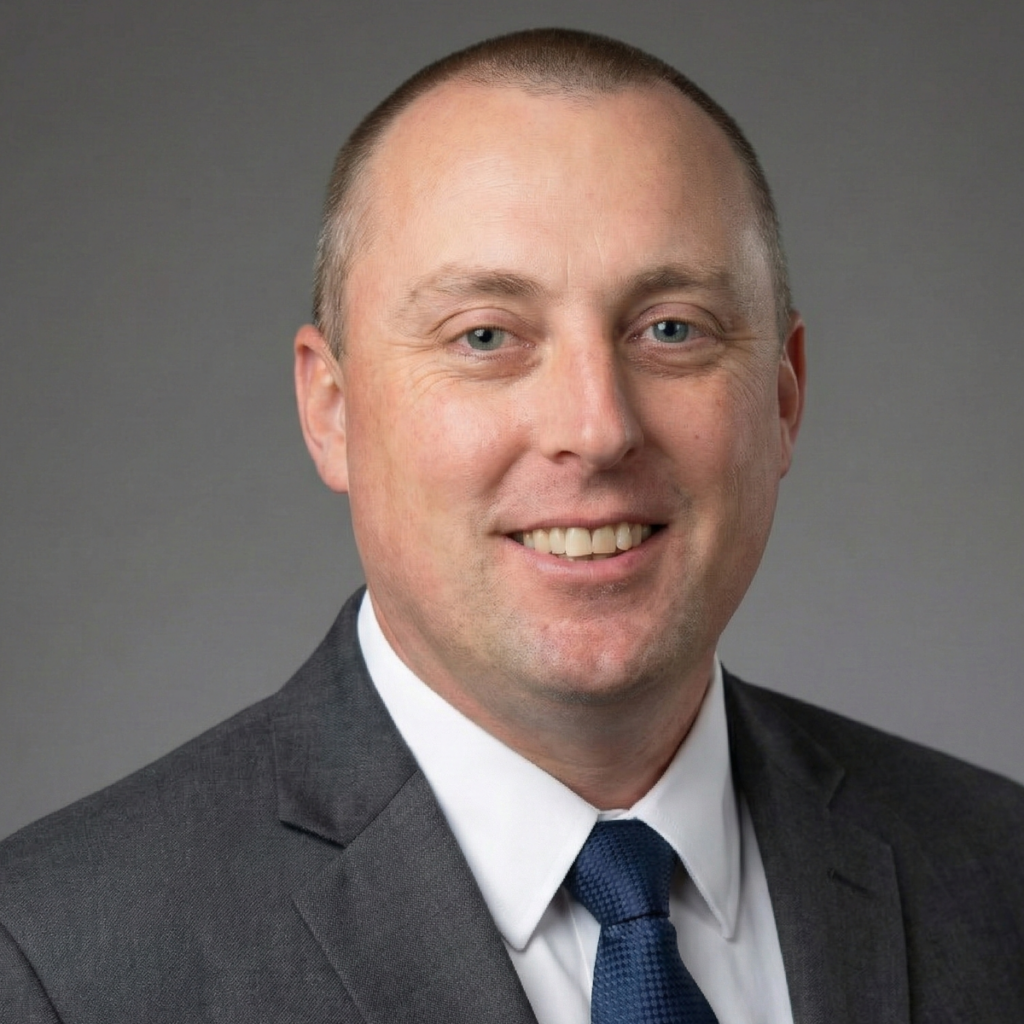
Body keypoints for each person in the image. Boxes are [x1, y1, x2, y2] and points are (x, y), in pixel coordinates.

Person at [2, 27, 1022, 1024]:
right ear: (332, 409)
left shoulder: (997, 876)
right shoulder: (62, 959)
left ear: (783, 397)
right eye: (485, 335)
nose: (596, 426)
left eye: (671, 328)